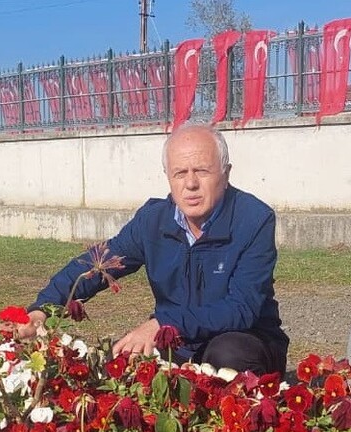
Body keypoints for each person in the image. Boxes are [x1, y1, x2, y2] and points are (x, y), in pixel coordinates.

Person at [16, 123, 288, 375]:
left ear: (226, 173)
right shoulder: (153, 221)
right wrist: (42, 309)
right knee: (121, 365)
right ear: (168, 177)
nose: (190, 184)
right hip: (178, 341)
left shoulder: (253, 219)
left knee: (226, 354)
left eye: (202, 171)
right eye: (180, 173)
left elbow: (240, 309)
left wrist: (162, 323)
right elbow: (98, 264)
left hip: (247, 339)